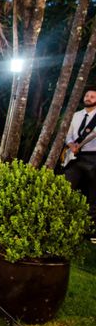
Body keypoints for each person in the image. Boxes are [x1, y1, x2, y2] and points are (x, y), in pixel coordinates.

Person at [63, 86, 96, 235]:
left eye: (92, 96)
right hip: (74, 158)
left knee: (93, 193)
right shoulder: (76, 115)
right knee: (65, 188)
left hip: (93, 158)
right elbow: (68, 135)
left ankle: (89, 228)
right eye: (87, 95)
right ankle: (63, 221)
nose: (88, 98)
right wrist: (71, 145)